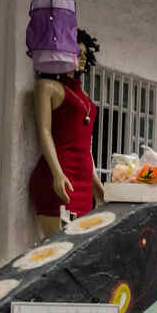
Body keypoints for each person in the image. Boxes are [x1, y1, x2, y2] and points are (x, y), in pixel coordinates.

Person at [30, 30, 103, 236]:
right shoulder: (47, 87)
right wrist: (56, 173)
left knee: (77, 251)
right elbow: (44, 131)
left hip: (83, 180)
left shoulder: (85, 97)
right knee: (56, 249)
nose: (82, 57)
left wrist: (95, 182)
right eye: (76, 52)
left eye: (84, 54)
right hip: (58, 176)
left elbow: (85, 144)